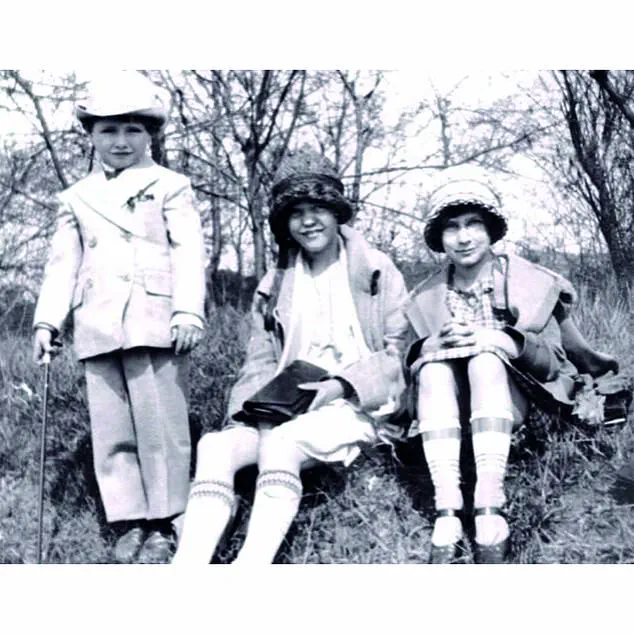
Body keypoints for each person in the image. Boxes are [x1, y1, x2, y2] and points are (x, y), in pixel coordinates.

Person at [172, 146, 409, 564]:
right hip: (287, 405)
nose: (308, 221)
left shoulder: (376, 269)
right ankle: (187, 567)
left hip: (356, 403)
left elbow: (399, 351)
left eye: (318, 208)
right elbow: (259, 362)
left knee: (282, 444)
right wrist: (249, 415)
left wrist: (341, 386)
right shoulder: (276, 282)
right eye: (296, 213)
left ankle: (251, 566)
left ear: (336, 213)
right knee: (214, 447)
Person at [32, 71, 206, 564]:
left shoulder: (171, 186)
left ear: (150, 134)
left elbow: (188, 252)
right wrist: (47, 322)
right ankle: (129, 520)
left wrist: (188, 310)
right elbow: (62, 266)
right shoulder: (75, 197)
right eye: (108, 130)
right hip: (98, 321)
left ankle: (164, 521)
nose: (121, 141)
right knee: (112, 429)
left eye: (133, 129)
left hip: (155, 317)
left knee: (160, 425)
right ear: (91, 135)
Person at [403, 174, 619, 564]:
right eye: (451, 228)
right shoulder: (426, 297)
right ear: (439, 238)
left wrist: (504, 340)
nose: (463, 237)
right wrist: (430, 346)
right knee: (433, 370)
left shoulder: (529, 283)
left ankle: (489, 505)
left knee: (486, 360)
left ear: (491, 230)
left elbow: (556, 362)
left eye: (473, 224)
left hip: (519, 403)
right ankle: (447, 508)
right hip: (454, 411)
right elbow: (406, 369)